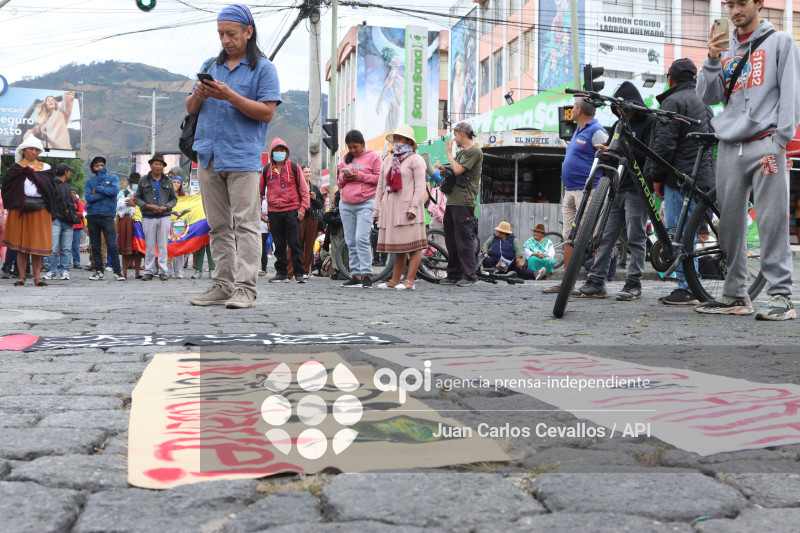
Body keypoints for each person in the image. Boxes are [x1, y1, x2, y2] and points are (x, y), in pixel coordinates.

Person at [696, 2, 800, 320]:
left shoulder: (781, 42)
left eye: (742, 2)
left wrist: (780, 140)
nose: (735, 10)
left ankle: (781, 296)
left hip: (766, 146)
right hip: (729, 147)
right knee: (728, 225)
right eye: (730, 4)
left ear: (758, 3)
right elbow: (706, 97)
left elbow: (792, 94)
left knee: (770, 221)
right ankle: (736, 294)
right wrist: (713, 60)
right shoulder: (726, 48)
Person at [187, 3, 281, 309]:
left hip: (242, 157)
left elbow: (266, 112)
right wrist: (198, 95)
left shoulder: (264, 69)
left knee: (247, 225)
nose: (225, 40)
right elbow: (190, 109)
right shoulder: (210, 65)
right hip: (208, 156)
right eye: (221, 34)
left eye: (231, 33)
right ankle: (222, 285)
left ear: (248, 32)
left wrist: (230, 95)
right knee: (218, 226)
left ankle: (246, 288)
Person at [643, 58, 715, 306]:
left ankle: (686, 288)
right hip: (702, 177)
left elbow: (663, 146)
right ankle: (690, 286)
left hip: (678, 177)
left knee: (678, 234)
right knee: (690, 234)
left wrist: (657, 178)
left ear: (670, 79)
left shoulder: (673, 101)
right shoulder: (705, 102)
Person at [576, 82, 655, 300]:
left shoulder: (649, 122)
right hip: (617, 187)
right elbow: (612, 150)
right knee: (606, 237)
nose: (620, 112)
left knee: (636, 238)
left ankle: (633, 283)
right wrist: (606, 151)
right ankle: (596, 281)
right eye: (617, 109)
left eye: (623, 108)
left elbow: (650, 155)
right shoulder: (619, 125)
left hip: (638, 189)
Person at [543, 96, 608, 294]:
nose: (571, 110)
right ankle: (568, 283)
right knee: (569, 237)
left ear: (579, 110)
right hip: (571, 191)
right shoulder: (578, 131)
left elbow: (608, 159)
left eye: (573, 107)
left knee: (593, 236)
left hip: (590, 191)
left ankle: (597, 283)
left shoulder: (597, 130)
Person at [372, 124, 427, 290]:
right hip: (391, 208)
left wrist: (414, 207)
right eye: (395, 138)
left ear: (408, 141)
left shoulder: (416, 159)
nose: (396, 142)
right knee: (399, 247)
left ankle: (410, 281)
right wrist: (377, 209)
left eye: (399, 138)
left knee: (413, 245)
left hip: (409, 208)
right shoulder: (388, 160)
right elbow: (380, 187)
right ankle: (395, 280)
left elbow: (420, 187)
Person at [434, 121, 483, 287]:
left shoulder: (475, 151)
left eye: (455, 135)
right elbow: (456, 174)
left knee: (463, 240)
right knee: (451, 240)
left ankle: (470, 276)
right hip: (453, 200)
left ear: (462, 134)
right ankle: (454, 274)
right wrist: (444, 170)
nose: (454, 138)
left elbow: (459, 170)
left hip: (464, 201)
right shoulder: (463, 153)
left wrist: (449, 154)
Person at [1, 137, 53, 287]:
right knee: (21, 245)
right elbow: (8, 189)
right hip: (20, 209)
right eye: (31, 149)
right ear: (23, 150)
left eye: (37, 150)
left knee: (37, 246)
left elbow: (51, 189)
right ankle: (21, 277)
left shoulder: (45, 167)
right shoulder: (15, 168)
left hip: (41, 210)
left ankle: (37, 278)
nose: (34, 152)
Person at [337, 129, 382, 288]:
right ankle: (355, 275)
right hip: (346, 204)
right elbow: (339, 183)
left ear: (363, 144)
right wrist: (345, 177)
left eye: (355, 147)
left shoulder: (374, 157)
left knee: (361, 238)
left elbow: (379, 179)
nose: (353, 150)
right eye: (349, 147)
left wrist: (360, 176)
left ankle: (367, 275)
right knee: (350, 240)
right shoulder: (344, 160)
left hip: (366, 202)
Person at [262, 138, 309, 283]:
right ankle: (281, 273)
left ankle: (299, 273)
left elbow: (304, 190)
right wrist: (259, 211)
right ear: (272, 152)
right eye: (277, 150)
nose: (280, 153)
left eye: (282, 150)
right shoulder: (266, 170)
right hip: (274, 211)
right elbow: (258, 192)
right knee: (279, 244)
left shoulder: (294, 168)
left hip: (292, 210)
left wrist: (302, 208)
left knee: (295, 243)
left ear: (286, 151)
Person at [134, 153, 178, 281]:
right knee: (149, 245)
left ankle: (163, 271)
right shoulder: (143, 180)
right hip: (148, 217)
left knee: (163, 245)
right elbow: (137, 199)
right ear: (151, 165)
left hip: (164, 216)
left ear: (163, 167)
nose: (158, 167)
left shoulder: (168, 181)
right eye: (156, 164)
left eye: (160, 164)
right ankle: (149, 271)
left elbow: (174, 200)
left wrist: (166, 207)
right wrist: (147, 206)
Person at [85, 156, 124, 282]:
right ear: (92, 168)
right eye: (96, 166)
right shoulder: (89, 181)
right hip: (92, 215)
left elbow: (114, 192)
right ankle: (99, 271)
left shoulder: (113, 178)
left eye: (101, 165)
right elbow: (89, 198)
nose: (99, 167)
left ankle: (118, 272)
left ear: (105, 166)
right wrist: (105, 193)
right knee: (95, 246)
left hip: (107, 215)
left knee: (112, 245)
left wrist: (98, 190)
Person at [42, 163, 78, 281]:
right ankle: (58, 272)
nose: (70, 174)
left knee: (62, 248)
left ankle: (60, 271)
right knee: (58, 248)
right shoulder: (53, 185)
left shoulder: (66, 186)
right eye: (69, 171)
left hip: (64, 220)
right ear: (66, 172)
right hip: (59, 220)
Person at [117, 173, 143, 280]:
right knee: (125, 247)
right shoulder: (123, 193)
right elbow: (118, 205)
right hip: (126, 220)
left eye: (137, 183)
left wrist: (135, 204)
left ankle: (137, 272)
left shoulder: (143, 194)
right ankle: (124, 272)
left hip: (139, 221)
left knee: (138, 248)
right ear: (129, 183)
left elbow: (147, 204)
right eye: (133, 182)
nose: (135, 184)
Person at [300, 165, 324, 279]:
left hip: (312, 218)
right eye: (306, 172)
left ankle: (306, 270)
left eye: (309, 172)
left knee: (309, 245)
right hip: (300, 217)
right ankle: (295, 268)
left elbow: (320, 205)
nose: (308, 174)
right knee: (297, 243)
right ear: (301, 173)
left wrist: (314, 199)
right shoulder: (297, 187)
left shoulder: (315, 188)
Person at [167, 174, 189, 279]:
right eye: (174, 182)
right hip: (169, 222)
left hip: (180, 223)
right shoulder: (166, 195)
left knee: (180, 247)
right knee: (169, 246)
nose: (176, 184)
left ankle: (179, 271)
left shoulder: (185, 195)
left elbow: (193, 204)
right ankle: (168, 270)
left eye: (178, 182)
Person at [71, 188, 85, 269]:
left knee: (75, 246)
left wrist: (72, 213)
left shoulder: (79, 202)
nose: (72, 194)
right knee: (65, 247)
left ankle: (76, 262)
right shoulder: (66, 201)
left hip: (76, 227)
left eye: (74, 193)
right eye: (71, 193)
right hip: (68, 227)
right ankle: (65, 262)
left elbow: (82, 213)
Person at [259, 191, 270, 276]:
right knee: (261, 247)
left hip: (265, 227)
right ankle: (263, 268)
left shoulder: (268, 202)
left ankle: (263, 268)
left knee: (262, 247)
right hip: (260, 226)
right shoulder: (261, 202)